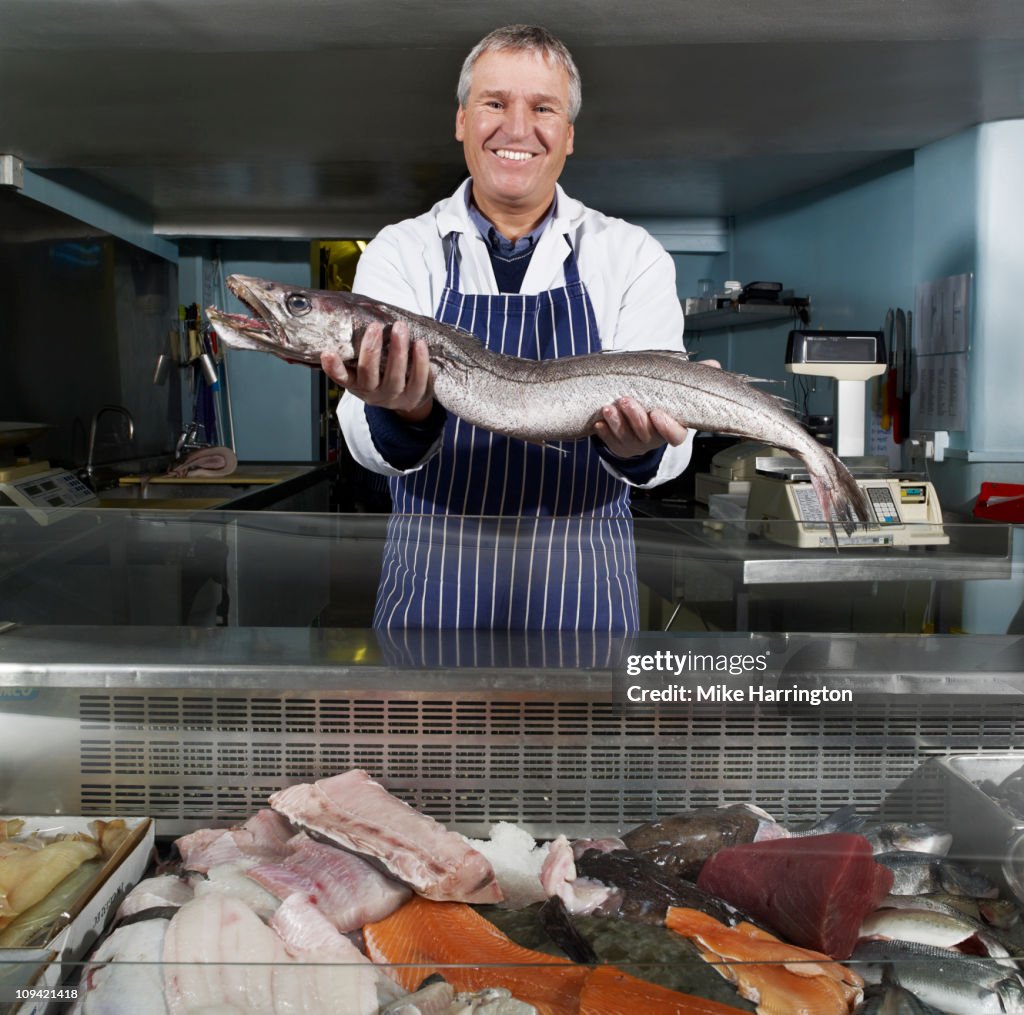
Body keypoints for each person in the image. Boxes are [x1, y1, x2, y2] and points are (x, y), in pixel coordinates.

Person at [323, 24, 694, 632]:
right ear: (462, 120)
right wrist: (406, 414)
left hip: (585, 596)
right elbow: (364, 440)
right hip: (434, 589)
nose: (517, 129)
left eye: (542, 108)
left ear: (568, 135)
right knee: (435, 729)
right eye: (494, 103)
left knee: (582, 731)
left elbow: (673, 450)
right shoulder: (402, 250)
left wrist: (643, 447)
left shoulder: (630, 254)